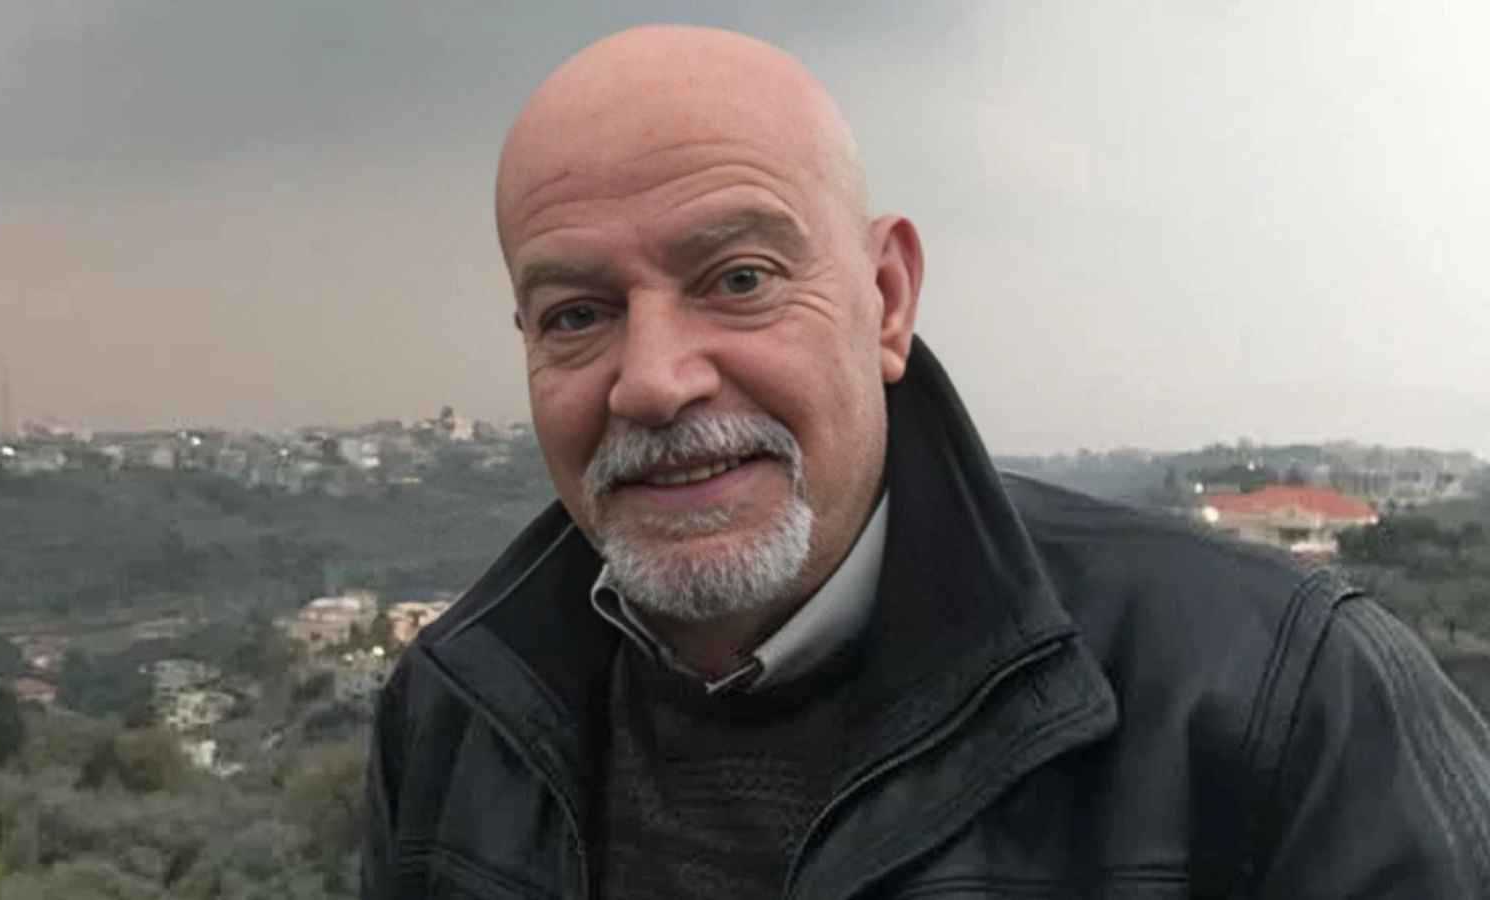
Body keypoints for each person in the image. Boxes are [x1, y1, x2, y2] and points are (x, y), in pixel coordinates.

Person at [362, 25, 1490, 900]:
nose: (653, 381)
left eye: (740, 280)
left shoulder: (1281, 703)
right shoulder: (452, 716)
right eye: (577, 313)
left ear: (887, 299)